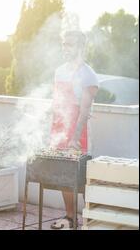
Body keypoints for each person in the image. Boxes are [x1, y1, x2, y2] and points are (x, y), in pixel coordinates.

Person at [49, 30, 99, 229]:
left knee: (80, 177)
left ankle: (90, 217)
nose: (65, 49)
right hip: (59, 128)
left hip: (78, 131)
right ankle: (70, 218)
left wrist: (75, 138)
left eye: (70, 45)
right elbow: (57, 102)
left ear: (80, 47)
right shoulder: (59, 71)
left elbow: (85, 110)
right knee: (63, 175)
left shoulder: (88, 74)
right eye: (64, 44)